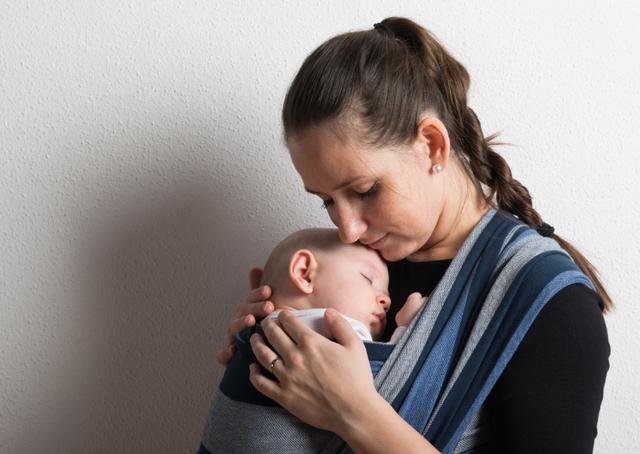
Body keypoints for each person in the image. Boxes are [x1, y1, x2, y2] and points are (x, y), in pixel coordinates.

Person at [214, 17, 611, 454]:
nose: (347, 228)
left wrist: (355, 414)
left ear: (432, 146)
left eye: (364, 191)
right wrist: (267, 339)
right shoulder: (344, 273)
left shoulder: (550, 307)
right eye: (326, 200)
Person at [198, 228, 426, 453]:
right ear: (304, 272)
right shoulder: (326, 330)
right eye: (368, 279)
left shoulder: (255, 330)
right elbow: (389, 380)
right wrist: (407, 327)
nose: (385, 299)